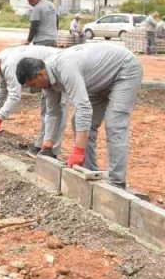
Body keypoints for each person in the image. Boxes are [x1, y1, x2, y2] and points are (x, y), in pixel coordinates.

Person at [15, 41, 143, 189]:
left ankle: (117, 182)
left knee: (115, 125)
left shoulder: (64, 67)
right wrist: (47, 145)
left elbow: (83, 107)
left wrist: (77, 151)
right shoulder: (46, 81)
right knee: (78, 122)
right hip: (99, 80)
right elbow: (52, 113)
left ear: (40, 74)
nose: (34, 89)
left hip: (124, 69)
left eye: (33, 85)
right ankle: (90, 174)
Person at [0, 45, 64, 157]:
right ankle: (42, 145)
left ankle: (52, 152)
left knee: (57, 110)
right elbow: (3, 86)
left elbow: (14, 95)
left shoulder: (9, 64)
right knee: (46, 110)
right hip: (43, 72)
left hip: (58, 68)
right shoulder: (1, 60)